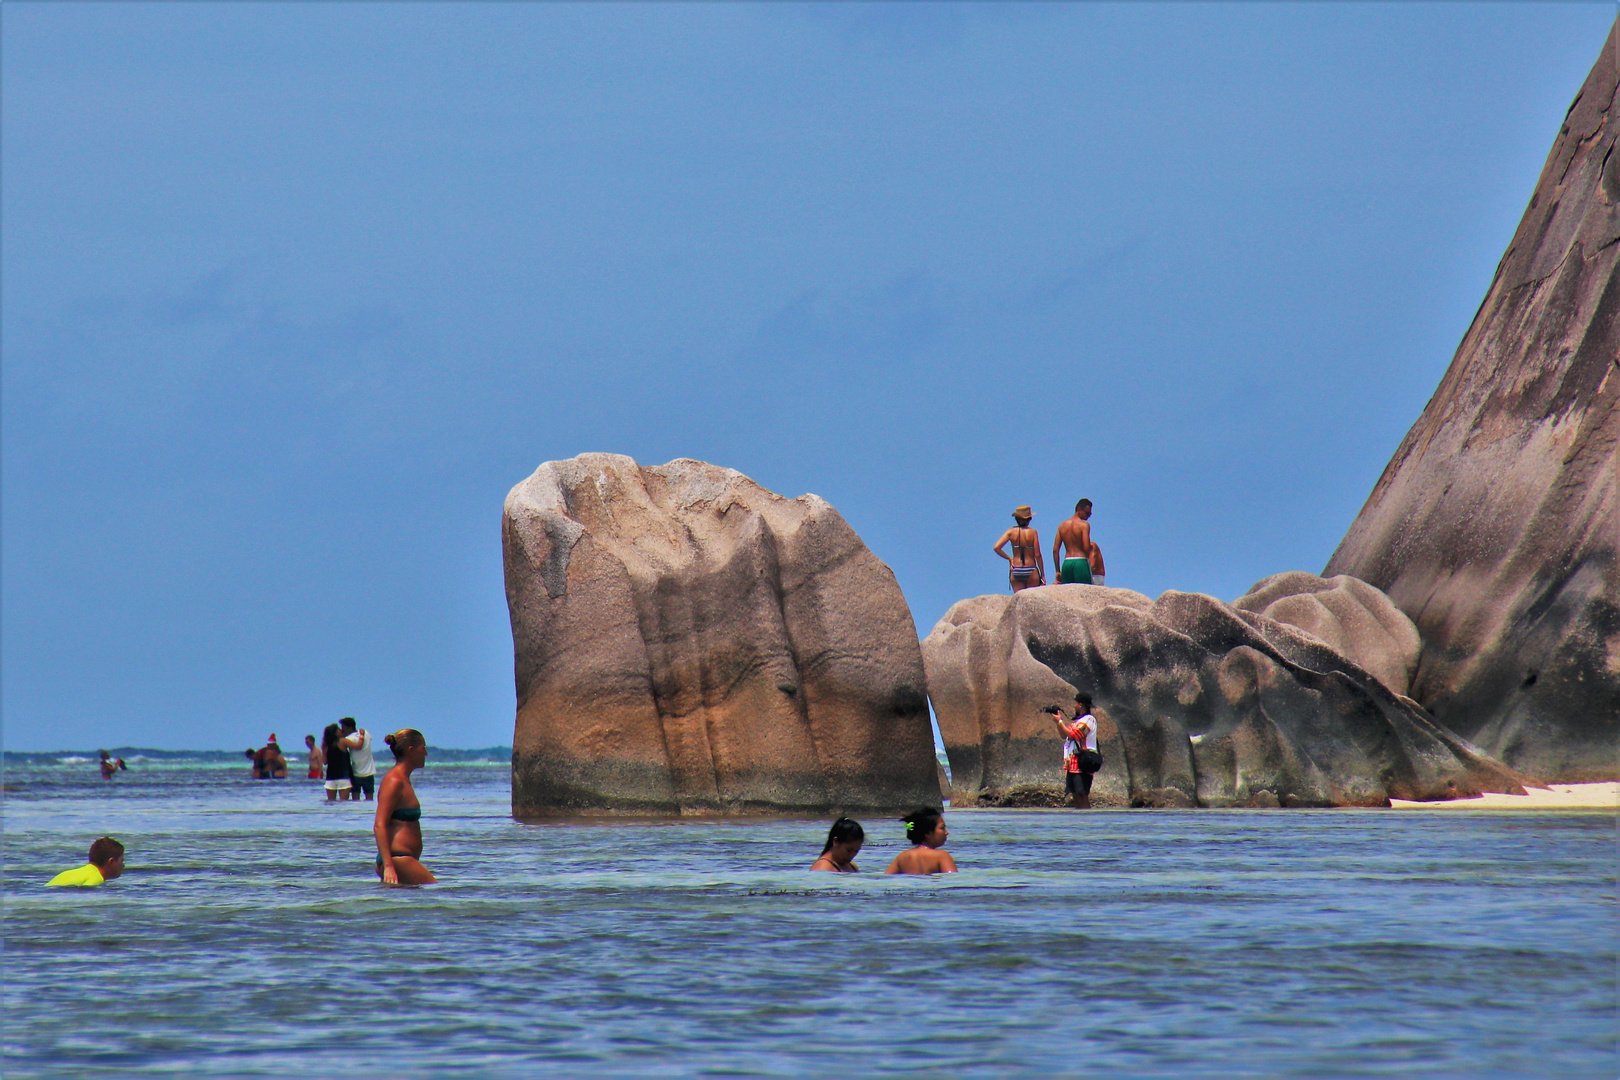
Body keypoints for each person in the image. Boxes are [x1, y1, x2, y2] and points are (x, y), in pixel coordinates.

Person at [374, 728, 435, 885]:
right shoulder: (394, 781)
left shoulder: (403, 780)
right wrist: (388, 866)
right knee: (437, 893)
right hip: (397, 859)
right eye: (423, 748)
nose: (426, 753)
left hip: (403, 859)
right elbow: (380, 825)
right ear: (411, 750)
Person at [1045, 694, 1103, 808]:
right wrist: (1058, 722)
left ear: (1080, 705)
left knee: (1082, 793)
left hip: (1084, 760)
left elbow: (1074, 734)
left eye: (1075, 703)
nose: (1074, 705)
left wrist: (1060, 721)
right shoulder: (1078, 720)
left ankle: (1087, 819)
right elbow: (1064, 735)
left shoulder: (1089, 720)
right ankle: (1078, 821)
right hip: (1073, 762)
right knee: (1075, 794)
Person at [885, 808, 958, 874]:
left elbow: (886, 878)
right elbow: (953, 881)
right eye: (942, 828)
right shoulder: (942, 856)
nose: (946, 832)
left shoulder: (901, 857)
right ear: (927, 833)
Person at [994, 506, 1045, 592]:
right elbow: (1037, 555)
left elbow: (996, 547)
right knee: (1032, 600)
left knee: (1019, 601)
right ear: (1028, 519)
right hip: (1031, 568)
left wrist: (1010, 558)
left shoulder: (1010, 532)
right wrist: (1042, 574)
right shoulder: (1033, 532)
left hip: (1016, 569)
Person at [47, 837, 126, 887]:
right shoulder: (96, 877)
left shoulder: (67, 873)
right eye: (121, 861)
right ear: (111, 862)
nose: (123, 865)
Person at [1052, 499, 1097, 585]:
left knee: (1067, 594)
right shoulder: (1084, 525)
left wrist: (1057, 570)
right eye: (1087, 513)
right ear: (1079, 509)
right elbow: (1086, 547)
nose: (1089, 516)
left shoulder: (1062, 526)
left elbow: (1055, 549)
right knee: (1084, 593)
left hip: (1067, 563)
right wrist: (1092, 548)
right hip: (1081, 562)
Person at [339, 718, 376, 802]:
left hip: (356, 773)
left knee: (355, 801)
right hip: (369, 772)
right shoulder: (366, 733)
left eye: (343, 727)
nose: (342, 729)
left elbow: (342, 742)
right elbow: (370, 739)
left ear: (349, 728)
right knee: (369, 799)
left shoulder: (349, 739)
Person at [321, 723, 352, 802]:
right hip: (343, 776)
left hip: (331, 776)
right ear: (335, 732)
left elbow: (324, 762)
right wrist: (362, 736)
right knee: (344, 804)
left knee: (331, 803)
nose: (340, 730)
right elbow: (358, 745)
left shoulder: (325, 744)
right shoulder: (343, 741)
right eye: (338, 729)